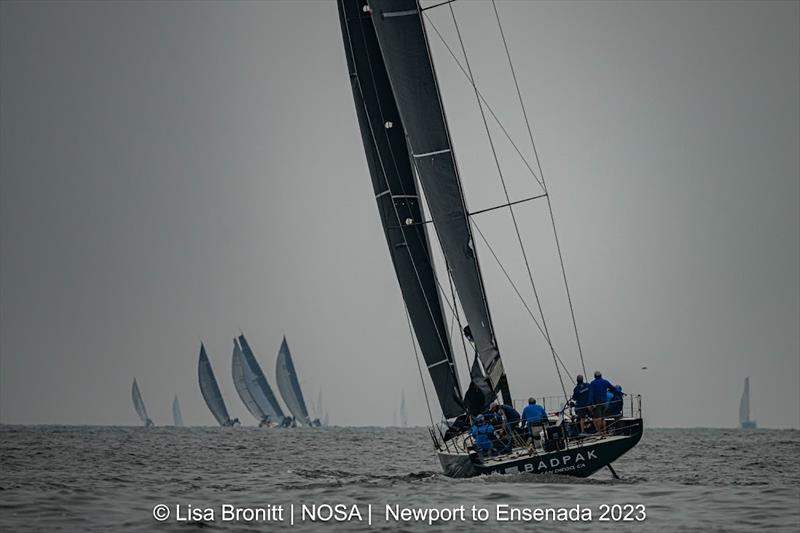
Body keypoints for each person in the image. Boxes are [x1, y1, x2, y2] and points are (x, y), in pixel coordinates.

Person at [588, 371, 617, 436]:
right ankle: (604, 431)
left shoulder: (593, 383)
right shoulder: (605, 382)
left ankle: (599, 432)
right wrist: (620, 393)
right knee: (603, 418)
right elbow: (613, 388)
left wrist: (590, 403)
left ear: (594, 376)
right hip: (605, 402)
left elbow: (591, 394)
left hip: (597, 402)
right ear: (601, 375)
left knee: (597, 417)